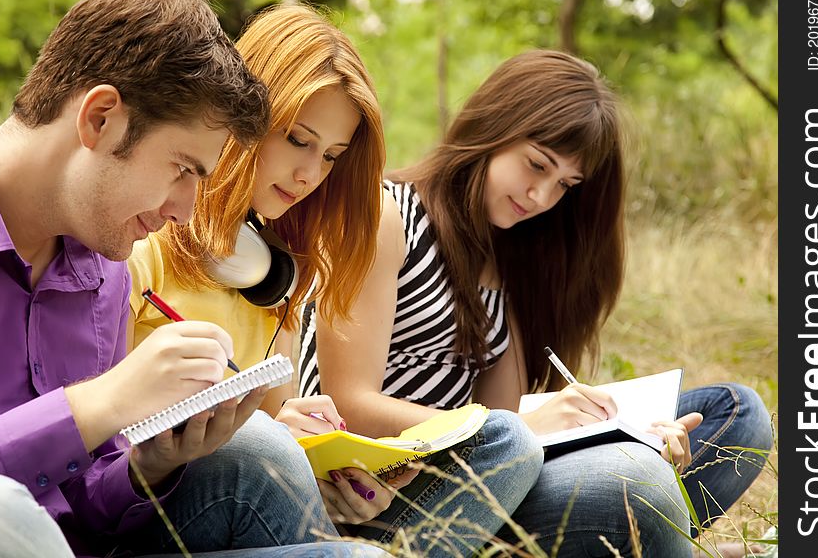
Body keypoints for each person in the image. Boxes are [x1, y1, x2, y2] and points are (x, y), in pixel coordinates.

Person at [0, 0, 386, 558]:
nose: (186, 211)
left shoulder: (105, 268)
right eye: (182, 168)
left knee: (356, 553)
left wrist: (151, 462)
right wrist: (95, 405)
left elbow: (84, 507)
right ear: (100, 118)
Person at [298, 49, 774, 557]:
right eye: (536, 164)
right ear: (493, 127)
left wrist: (619, 432)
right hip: (382, 496)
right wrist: (521, 427)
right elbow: (347, 402)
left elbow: (507, 421)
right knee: (635, 487)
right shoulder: (387, 214)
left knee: (736, 415)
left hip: (485, 474)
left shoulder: (506, 258)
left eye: (566, 185)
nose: (543, 196)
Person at [129, 4, 543, 557]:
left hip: (255, 507)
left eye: (331, 156)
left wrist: (327, 469)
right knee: (259, 452)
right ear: (244, 115)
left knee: (507, 441)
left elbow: (280, 422)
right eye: (298, 140)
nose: (310, 175)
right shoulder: (140, 237)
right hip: (144, 506)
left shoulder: (276, 272)